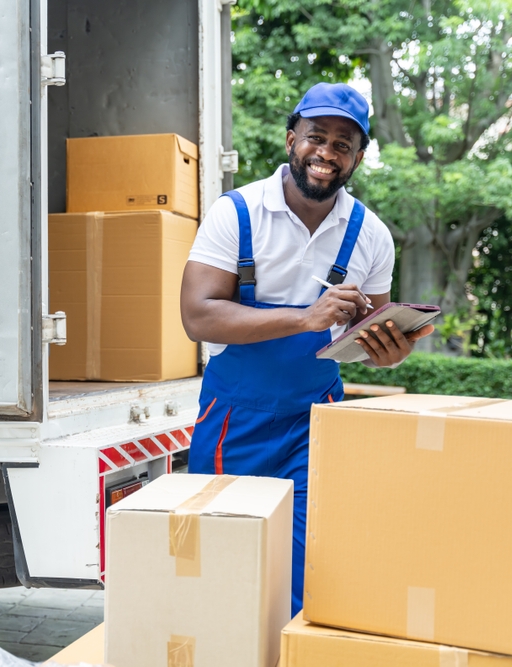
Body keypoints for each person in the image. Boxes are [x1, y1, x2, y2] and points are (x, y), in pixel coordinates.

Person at [180, 82, 434, 616]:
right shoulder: (236, 213)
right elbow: (197, 316)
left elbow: (368, 334)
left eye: (344, 145)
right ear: (291, 138)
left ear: (358, 158)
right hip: (235, 420)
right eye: (316, 137)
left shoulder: (372, 236)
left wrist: (390, 349)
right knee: (222, 565)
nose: (326, 153)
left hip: (317, 424)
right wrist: (304, 318)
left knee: (307, 571)